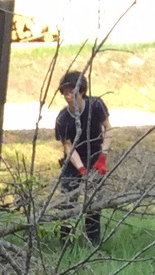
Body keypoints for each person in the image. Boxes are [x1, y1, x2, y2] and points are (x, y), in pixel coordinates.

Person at [53, 68, 109, 244]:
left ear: (82, 92)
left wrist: (102, 157)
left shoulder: (96, 105)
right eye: (65, 94)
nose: (69, 97)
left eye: (72, 93)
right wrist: (81, 169)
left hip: (95, 157)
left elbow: (109, 129)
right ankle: (65, 242)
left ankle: (92, 242)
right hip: (73, 162)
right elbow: (68, 147)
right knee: (68, 201)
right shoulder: (62, 119)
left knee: (93, 203)